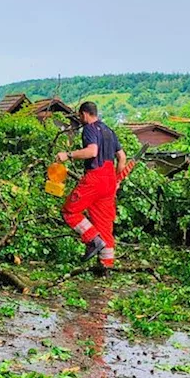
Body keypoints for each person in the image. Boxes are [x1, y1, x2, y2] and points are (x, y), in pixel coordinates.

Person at [55, 101, 127, 269]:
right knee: (104, 224)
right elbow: (122, 158)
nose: (80, 119)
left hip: (96, 178)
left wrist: (68, 154)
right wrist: (117, 180)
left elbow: (92, 151)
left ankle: (93, 240)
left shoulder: (89, 128)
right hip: (109, 181)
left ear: (85, 114)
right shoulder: (110, 131)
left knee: (69, 211)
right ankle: (106, 266)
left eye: (80, 116)